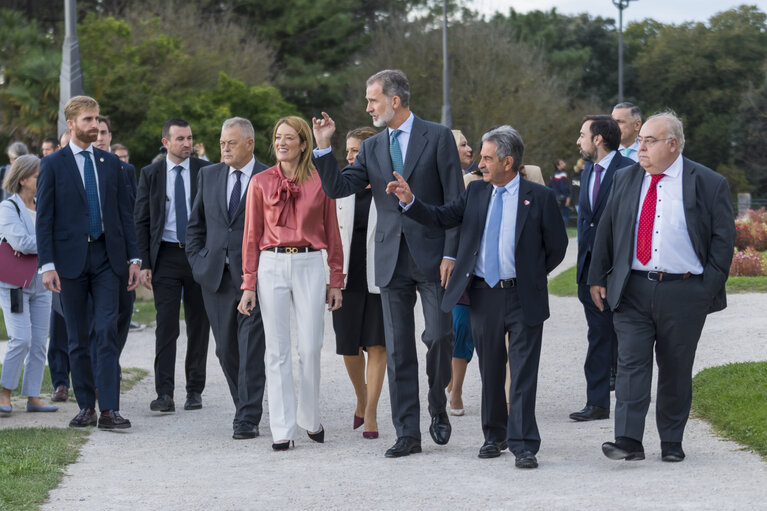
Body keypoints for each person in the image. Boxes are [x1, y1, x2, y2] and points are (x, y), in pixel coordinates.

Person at [386, 125, 568, 468]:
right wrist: (410, 201)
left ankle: (524, 443)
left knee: (524, 370)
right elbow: (441, 217)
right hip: (484, 295)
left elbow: (556, 247)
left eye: (487, 158)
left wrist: (530, 275)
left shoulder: (539, 197)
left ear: (508, 162)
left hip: (523, 294)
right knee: (491, 368)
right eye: (481, 156)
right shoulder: (476, 193)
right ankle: (494, 436)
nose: (480, 163)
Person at [312, 69, 464, 458]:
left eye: (373, 100)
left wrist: (450, 252)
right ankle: (408, 433)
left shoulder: (439, 137)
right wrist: (324, 148)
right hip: (389, 258)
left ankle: (436, 404)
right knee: (397, 350)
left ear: (394, 101)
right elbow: (337, 188)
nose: (368, 107)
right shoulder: (372, 147)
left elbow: (455, 204)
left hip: (433, 256)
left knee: (440, 336)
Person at [589, 111, 735, 462]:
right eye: (640, 141)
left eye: (649, 141)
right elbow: (606, 230)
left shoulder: (708, 182)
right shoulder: (625, 179)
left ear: (673, 144)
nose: (640, 148)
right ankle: (628, 439)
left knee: (675, 367)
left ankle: (671, 441)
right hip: (633, 289)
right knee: (631, 366)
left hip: (684, 292)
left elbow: (722, 241)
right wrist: (597, 277)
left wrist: (705, 289)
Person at [238, 116, 343, 451]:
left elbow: (333, 231)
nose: (281, 143)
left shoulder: (320, 180)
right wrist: (248, 283)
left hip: (311, 262)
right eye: (277, 137)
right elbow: (251, 236)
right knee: (277, 350)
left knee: (310, 347)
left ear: (302, 143)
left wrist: (336, 278)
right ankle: (282, 429)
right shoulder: (259, 182)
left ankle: (310, 416)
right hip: (271, 265)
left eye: (289, 137)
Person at [36, 96, 140, 429]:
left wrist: (134, 258)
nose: (94, 125)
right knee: (77, 337)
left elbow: (126, 215)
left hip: (108, 259)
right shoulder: (53, 165)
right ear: (71, 124)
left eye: (96, 119)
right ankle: (86, 407)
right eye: (87, 120)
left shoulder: (112, 164)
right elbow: (45, 219)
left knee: (106, 331)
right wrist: (47, 265)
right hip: (69, 263)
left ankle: (109, 409)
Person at [186, 117, 267, 440]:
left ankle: (247, 418)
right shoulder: (208, 175)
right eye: (222, 143)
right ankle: (242, 406)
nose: (225, 148)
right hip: (215, 277)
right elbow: (196, 225)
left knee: (250, 349)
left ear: (249, 143)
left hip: (255, 278)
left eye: (231, 143)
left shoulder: (268, 176)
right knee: (225, 350)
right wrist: (198, 261)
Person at [135, 118, 212, 413]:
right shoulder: (151, 174)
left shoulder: (206, 171)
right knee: (166, 326)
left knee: (198, 325)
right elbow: (140, 220)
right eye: (180, 139)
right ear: (166, 142)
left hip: (197, 255)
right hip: (165, 257)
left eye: (190, 138)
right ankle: (164, 393)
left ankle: (195, 390)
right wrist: (143, 262)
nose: (187, 143)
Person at [570, 115, 634, 422]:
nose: (578, 141)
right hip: (587, 272)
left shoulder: (630, 172)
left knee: (623, 338)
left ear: (598, 139)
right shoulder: (587, 173)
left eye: (582, 135)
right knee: (597, 335)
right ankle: (596, 403)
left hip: (616, 273)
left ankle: (629, 402)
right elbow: (588, 223)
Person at [331, 126, 386, 438]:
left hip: (379, 273)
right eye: (348, 151)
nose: (350, 156)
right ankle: (361, 398)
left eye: (356, 151)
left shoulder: (388, 183)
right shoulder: (340, 186)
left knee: (378, 345)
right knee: (349, 346)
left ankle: (372, 413)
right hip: (346, 274)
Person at [0, 155, 57, 415]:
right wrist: (51, 244)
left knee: (38, 342)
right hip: (13, 284)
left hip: (42, 281)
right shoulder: (7, 208)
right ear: (22, 179)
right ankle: (4, 392)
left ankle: (33, 397)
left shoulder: (45, 205)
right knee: (20, 340)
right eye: (37, 176)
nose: (42, 180)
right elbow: (20, 243)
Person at [447, 129, 475, 416]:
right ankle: (450, 379)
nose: (470, 149)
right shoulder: (440, 183)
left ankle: (456, 390)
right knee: (446, 332)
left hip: (472, 268)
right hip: (447, 268)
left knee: (464, 327)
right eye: (463, 144)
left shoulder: (478, 180)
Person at [549, 159, 570, 226]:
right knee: (565, 214)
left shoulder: (552, 175)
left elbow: (550, 186)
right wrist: (568, 196)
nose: (564, 164)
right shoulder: (562, 174)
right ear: (558, 166)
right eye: (562, 163)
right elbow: (563, 187)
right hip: (562, 197)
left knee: (555, 215)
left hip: (554, 197)